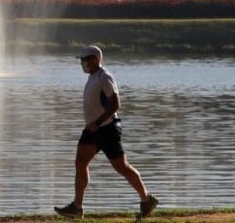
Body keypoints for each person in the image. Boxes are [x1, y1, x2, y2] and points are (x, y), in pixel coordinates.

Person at [54, 45, 158, 220]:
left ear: (95, 58)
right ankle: (77, 207)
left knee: (121, 167)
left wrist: (98, 122)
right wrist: (93, 124)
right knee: (80, 163)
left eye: (85, 59)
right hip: (92, 129)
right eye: (82, 60)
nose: (82, 63)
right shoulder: (92, 77)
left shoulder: (105, 77)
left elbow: (115, 104)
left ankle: (146, 199)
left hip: (107, 129)